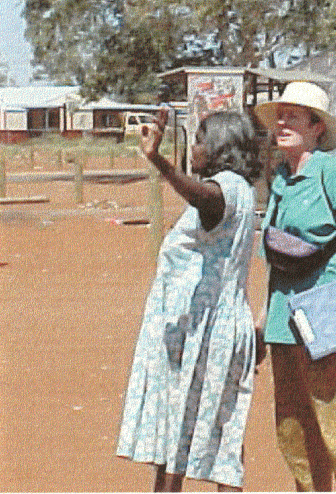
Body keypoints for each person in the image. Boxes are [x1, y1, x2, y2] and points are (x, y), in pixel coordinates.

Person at [116, 109, 262, 492]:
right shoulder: (240, 189)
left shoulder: (225, 189)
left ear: (221, 148)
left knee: (192, 431)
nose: (193, 149)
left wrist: (158, 160)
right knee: (214, 431)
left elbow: (205, 198)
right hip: (205, 330)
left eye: (199, 140)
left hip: (206, 334)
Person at [254, 81, 336, 492]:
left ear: (317, 128)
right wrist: (262, 320)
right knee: (294, 436)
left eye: (294, 115)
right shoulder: (279, 180)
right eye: (280, 115)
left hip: (331, 322)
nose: (283, 122)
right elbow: (276, 256)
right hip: (283, 325)